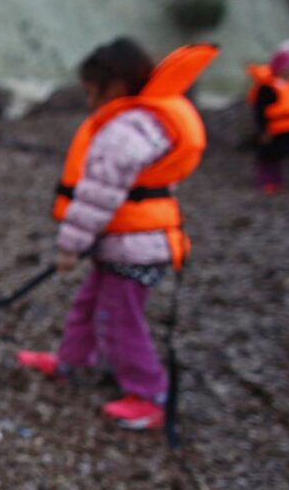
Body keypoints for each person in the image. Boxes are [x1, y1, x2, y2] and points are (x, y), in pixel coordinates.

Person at [18, 39, 219, 431]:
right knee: (90, 305)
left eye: (93, 91)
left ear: (116, 86)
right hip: (133, 244)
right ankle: (72, 361)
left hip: (135, 250)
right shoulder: (147, 121)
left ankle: (148, 394)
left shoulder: (123, 132)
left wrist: (68, 249)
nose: (90, 102)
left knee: (118, 321)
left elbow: (96, 199)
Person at [246, 40, 289, 193]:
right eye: (287, 67)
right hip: (274, 130)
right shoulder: (267, 88)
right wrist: (263, 131)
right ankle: (268, 182)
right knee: (269, 157)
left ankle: (282, 182)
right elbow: (260, 111)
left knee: (286, 156)